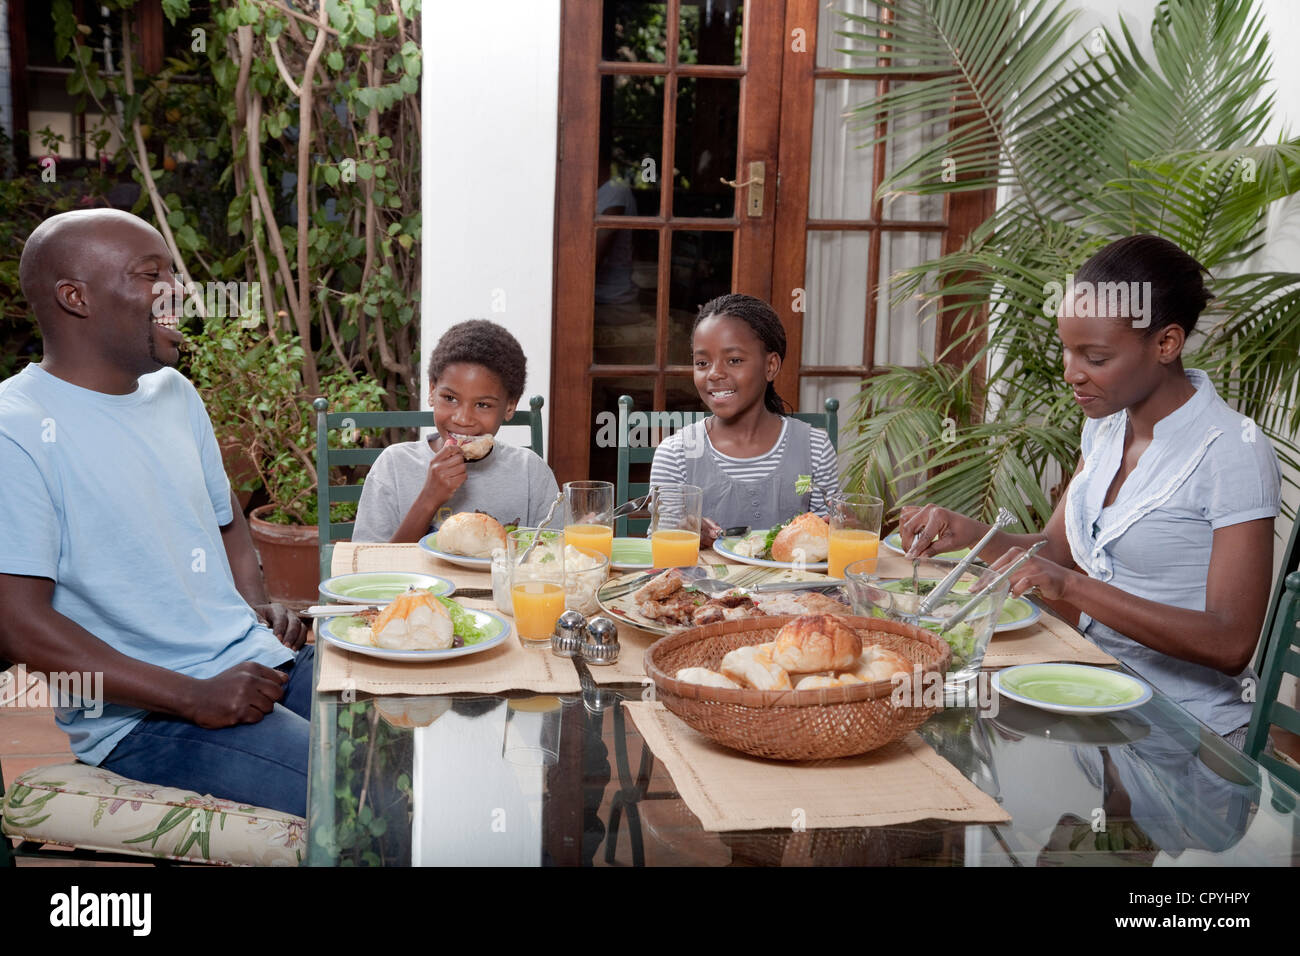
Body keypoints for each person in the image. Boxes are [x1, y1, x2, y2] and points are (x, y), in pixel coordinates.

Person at [900, 235, 1281, 748]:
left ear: (1166, 344)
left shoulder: (1232, 451)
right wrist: (967, 532)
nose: (1070, 373)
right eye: (1067, 349)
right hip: (1088, 692)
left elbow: (1231, 641)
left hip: (1188, 733)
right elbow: (1056, 554)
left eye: (1095, 357)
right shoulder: (1105, 428)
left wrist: (1074, 588)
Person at [0, 209, 312, 816]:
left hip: (258, 662)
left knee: (417, 732)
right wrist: (192, 695)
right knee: (371, 792)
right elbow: (18, 623)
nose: (183, 291)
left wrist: (252, 609)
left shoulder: (175, 394)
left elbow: (226, 524)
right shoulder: (15, 429)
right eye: (153, 274)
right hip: (146, 718)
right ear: (75, 298)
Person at [649, 294, 840, 545]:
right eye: (702, 362)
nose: (715, 374)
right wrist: (685, 533)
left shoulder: (814, 448)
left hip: (793, 585)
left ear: (770, 366)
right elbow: (660, 550)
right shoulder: (675, 454)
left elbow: (828, 542)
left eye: (734, 360)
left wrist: (839, 528)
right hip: (705, 584)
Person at [351, 319, 559, 542]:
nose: (462, 419)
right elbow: (371, 568)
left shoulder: (530, 473)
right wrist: (428, 499)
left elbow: (555, 556)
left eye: (483, 405)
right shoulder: (394, 466)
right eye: (450, 398)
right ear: (432, 391)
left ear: (509, 406)